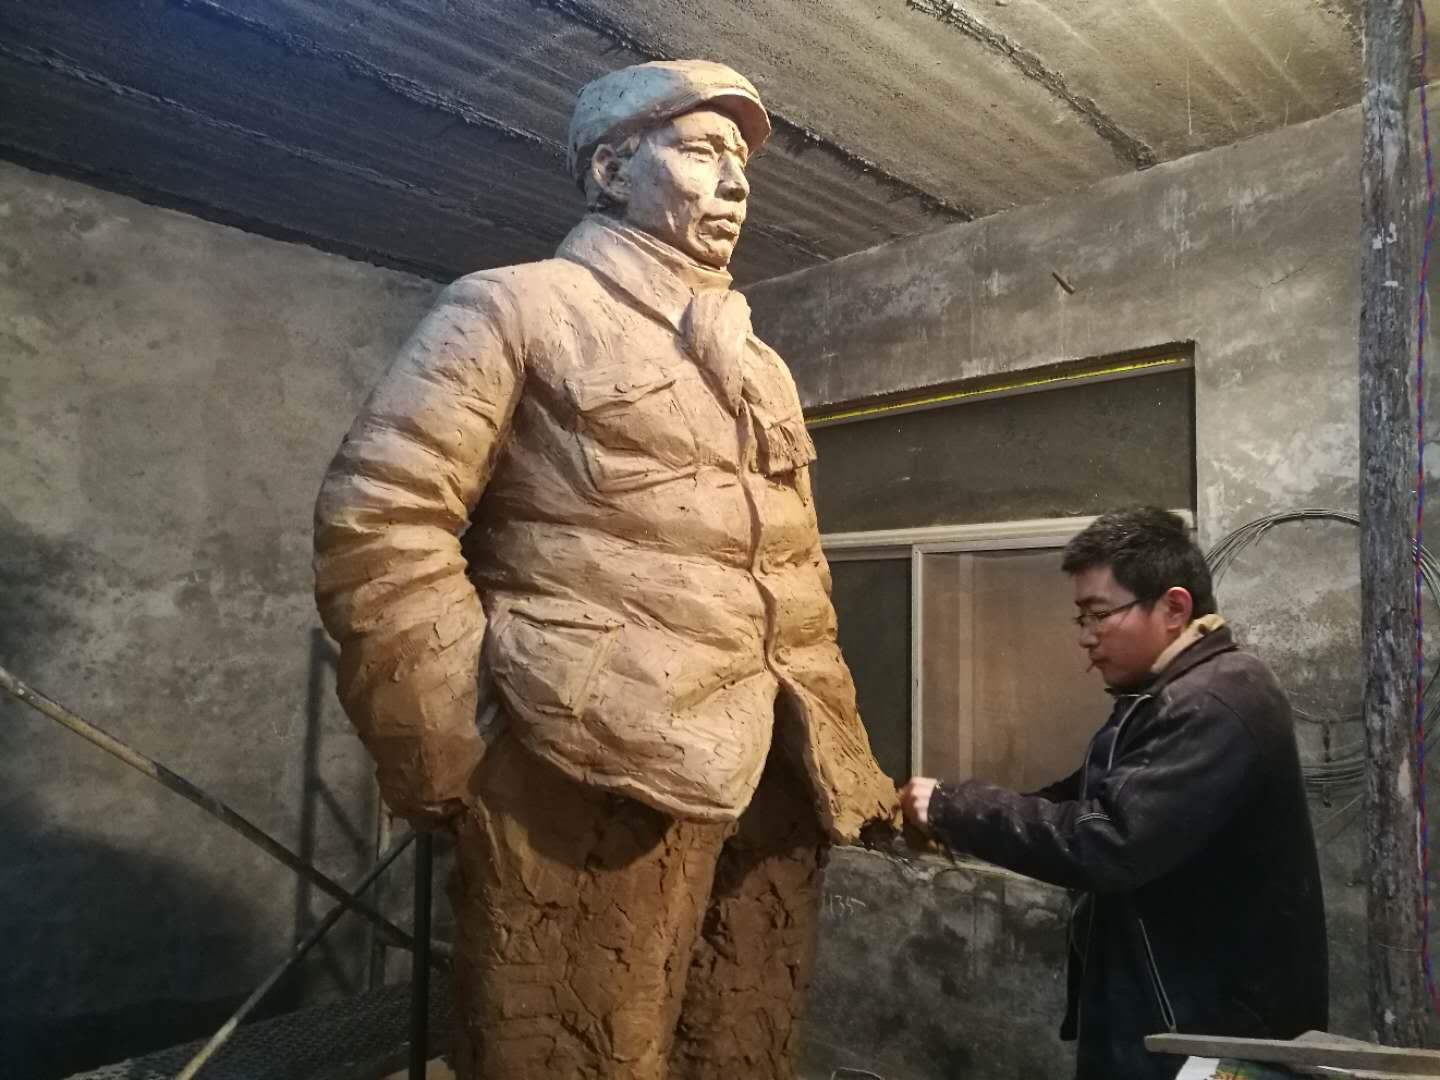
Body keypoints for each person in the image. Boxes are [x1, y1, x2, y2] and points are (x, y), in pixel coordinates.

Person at [313, 59, 897, 1080]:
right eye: (703, 151)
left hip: (775, 772)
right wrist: (461, 756)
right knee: (577, 1052)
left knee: (744, 1043)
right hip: (587, 768)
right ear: (611, 169)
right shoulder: (514, 307)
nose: (736, 183)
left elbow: (793, 565)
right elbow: (383, 521)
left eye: (742, 162)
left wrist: (840, 743)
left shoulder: (759, 361)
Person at [900, 506, 1327, 1080]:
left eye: (1099, 615)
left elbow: (1109, 841)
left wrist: (955, 808)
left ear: (1173, 608)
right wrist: (955, 819)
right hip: (1164, 1013)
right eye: (1081, 618)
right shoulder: (1160, 695)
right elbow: (1081, 799)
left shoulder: (1213, 701)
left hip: (1207, 1038)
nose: (1085, 637)